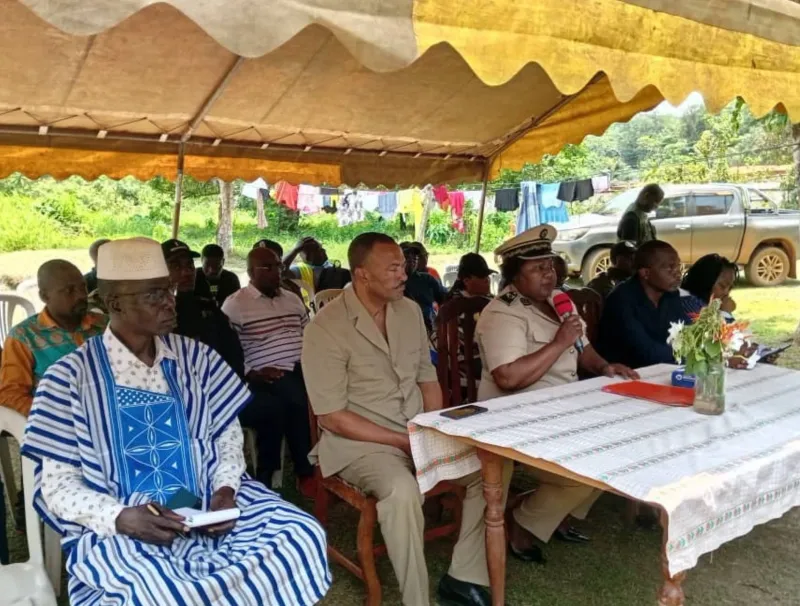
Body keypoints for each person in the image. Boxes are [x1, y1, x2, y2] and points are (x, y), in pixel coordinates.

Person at [20, 237, 331, 606]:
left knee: (300, 534)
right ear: (113, 303)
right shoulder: (68, 378)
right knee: (166, 593)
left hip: (207, 501)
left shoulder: (197, 359)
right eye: (154, 294)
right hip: (125, 520)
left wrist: (225, 491)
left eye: (168, 288)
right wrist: (121, 517)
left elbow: (227, 440)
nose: (171, 300)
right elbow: (57, 487)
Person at [302, 233, 495, 606]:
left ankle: (463, 573)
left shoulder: (408, 311)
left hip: (414, 429)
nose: (403, 274)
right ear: (361, 275)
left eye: (403, 266)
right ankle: (416, 600)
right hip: (361, 444)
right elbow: (332, 417)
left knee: (487, 467)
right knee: (402, 491)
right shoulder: (324, 328)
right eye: (392, 268)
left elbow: (426, 377)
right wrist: (402, 441)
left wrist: (433, 426)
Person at [475, 225, 638, 564]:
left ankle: (551, 516)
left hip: (559, 411)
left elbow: (583, 346)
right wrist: (558, 342)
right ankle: (522, 525)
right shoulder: (503, 312)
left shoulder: (558, 301)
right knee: (585, 469)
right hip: (513, 419)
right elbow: (507, 377)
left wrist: (605, 367)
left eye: (550, 265)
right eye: (537, 269)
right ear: (514, 275)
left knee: (617, 447)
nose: (549, 275)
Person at [222, 247, 315, 494]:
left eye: (279, 266)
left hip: (307, 364)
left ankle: (328, 459)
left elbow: (311, 334)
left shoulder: (292, 299)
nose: (277, 272)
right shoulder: (235, 305)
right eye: (269, 267)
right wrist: (252, 372)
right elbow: (229, 350)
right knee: (297, 398)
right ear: (251, 272)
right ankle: (306, 470)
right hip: (268, 373)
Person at [0, 260, 107, 416]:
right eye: (69, 291)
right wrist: (54, 417)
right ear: (44, 296)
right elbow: (10, 395)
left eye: (82, 287)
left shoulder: (105, 325)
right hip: (60, 425)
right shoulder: (24, 337)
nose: (81, 295)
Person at [596, 240, 689, 368]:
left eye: (679, 266)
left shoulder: (671, 295)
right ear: (645, 273)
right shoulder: (622, 300)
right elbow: (647, 352)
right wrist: (687, 352)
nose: (678, 273)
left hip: (662, 368)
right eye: (670, 267)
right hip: (624, 374)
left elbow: (688, 334)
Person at [161, 239, 244, 376]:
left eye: (190, 266)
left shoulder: (207, 307)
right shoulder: (152, 314)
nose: (187, 272)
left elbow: (232, 349)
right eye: (176, 266)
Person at [401, 242, 445, 333]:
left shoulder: (427, 279)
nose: (412, 260)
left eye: (415, 257)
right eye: (407, 257)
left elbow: (445, 298)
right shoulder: (390, 282)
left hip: (426, 328)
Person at [680, 253, 739, 320]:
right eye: (723, 286)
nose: (726, 293)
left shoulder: (710, 304)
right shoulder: (689, 303)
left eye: (730, 288)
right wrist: (725, 313)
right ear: (705, 280)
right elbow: (712, 329)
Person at [284, 236, 351, 295]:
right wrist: (295, 250)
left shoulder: (329, 264)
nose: (323, 250)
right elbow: (281, 271)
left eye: (322, 248)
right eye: (318, 249)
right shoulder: (299, 269)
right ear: (307, 256)